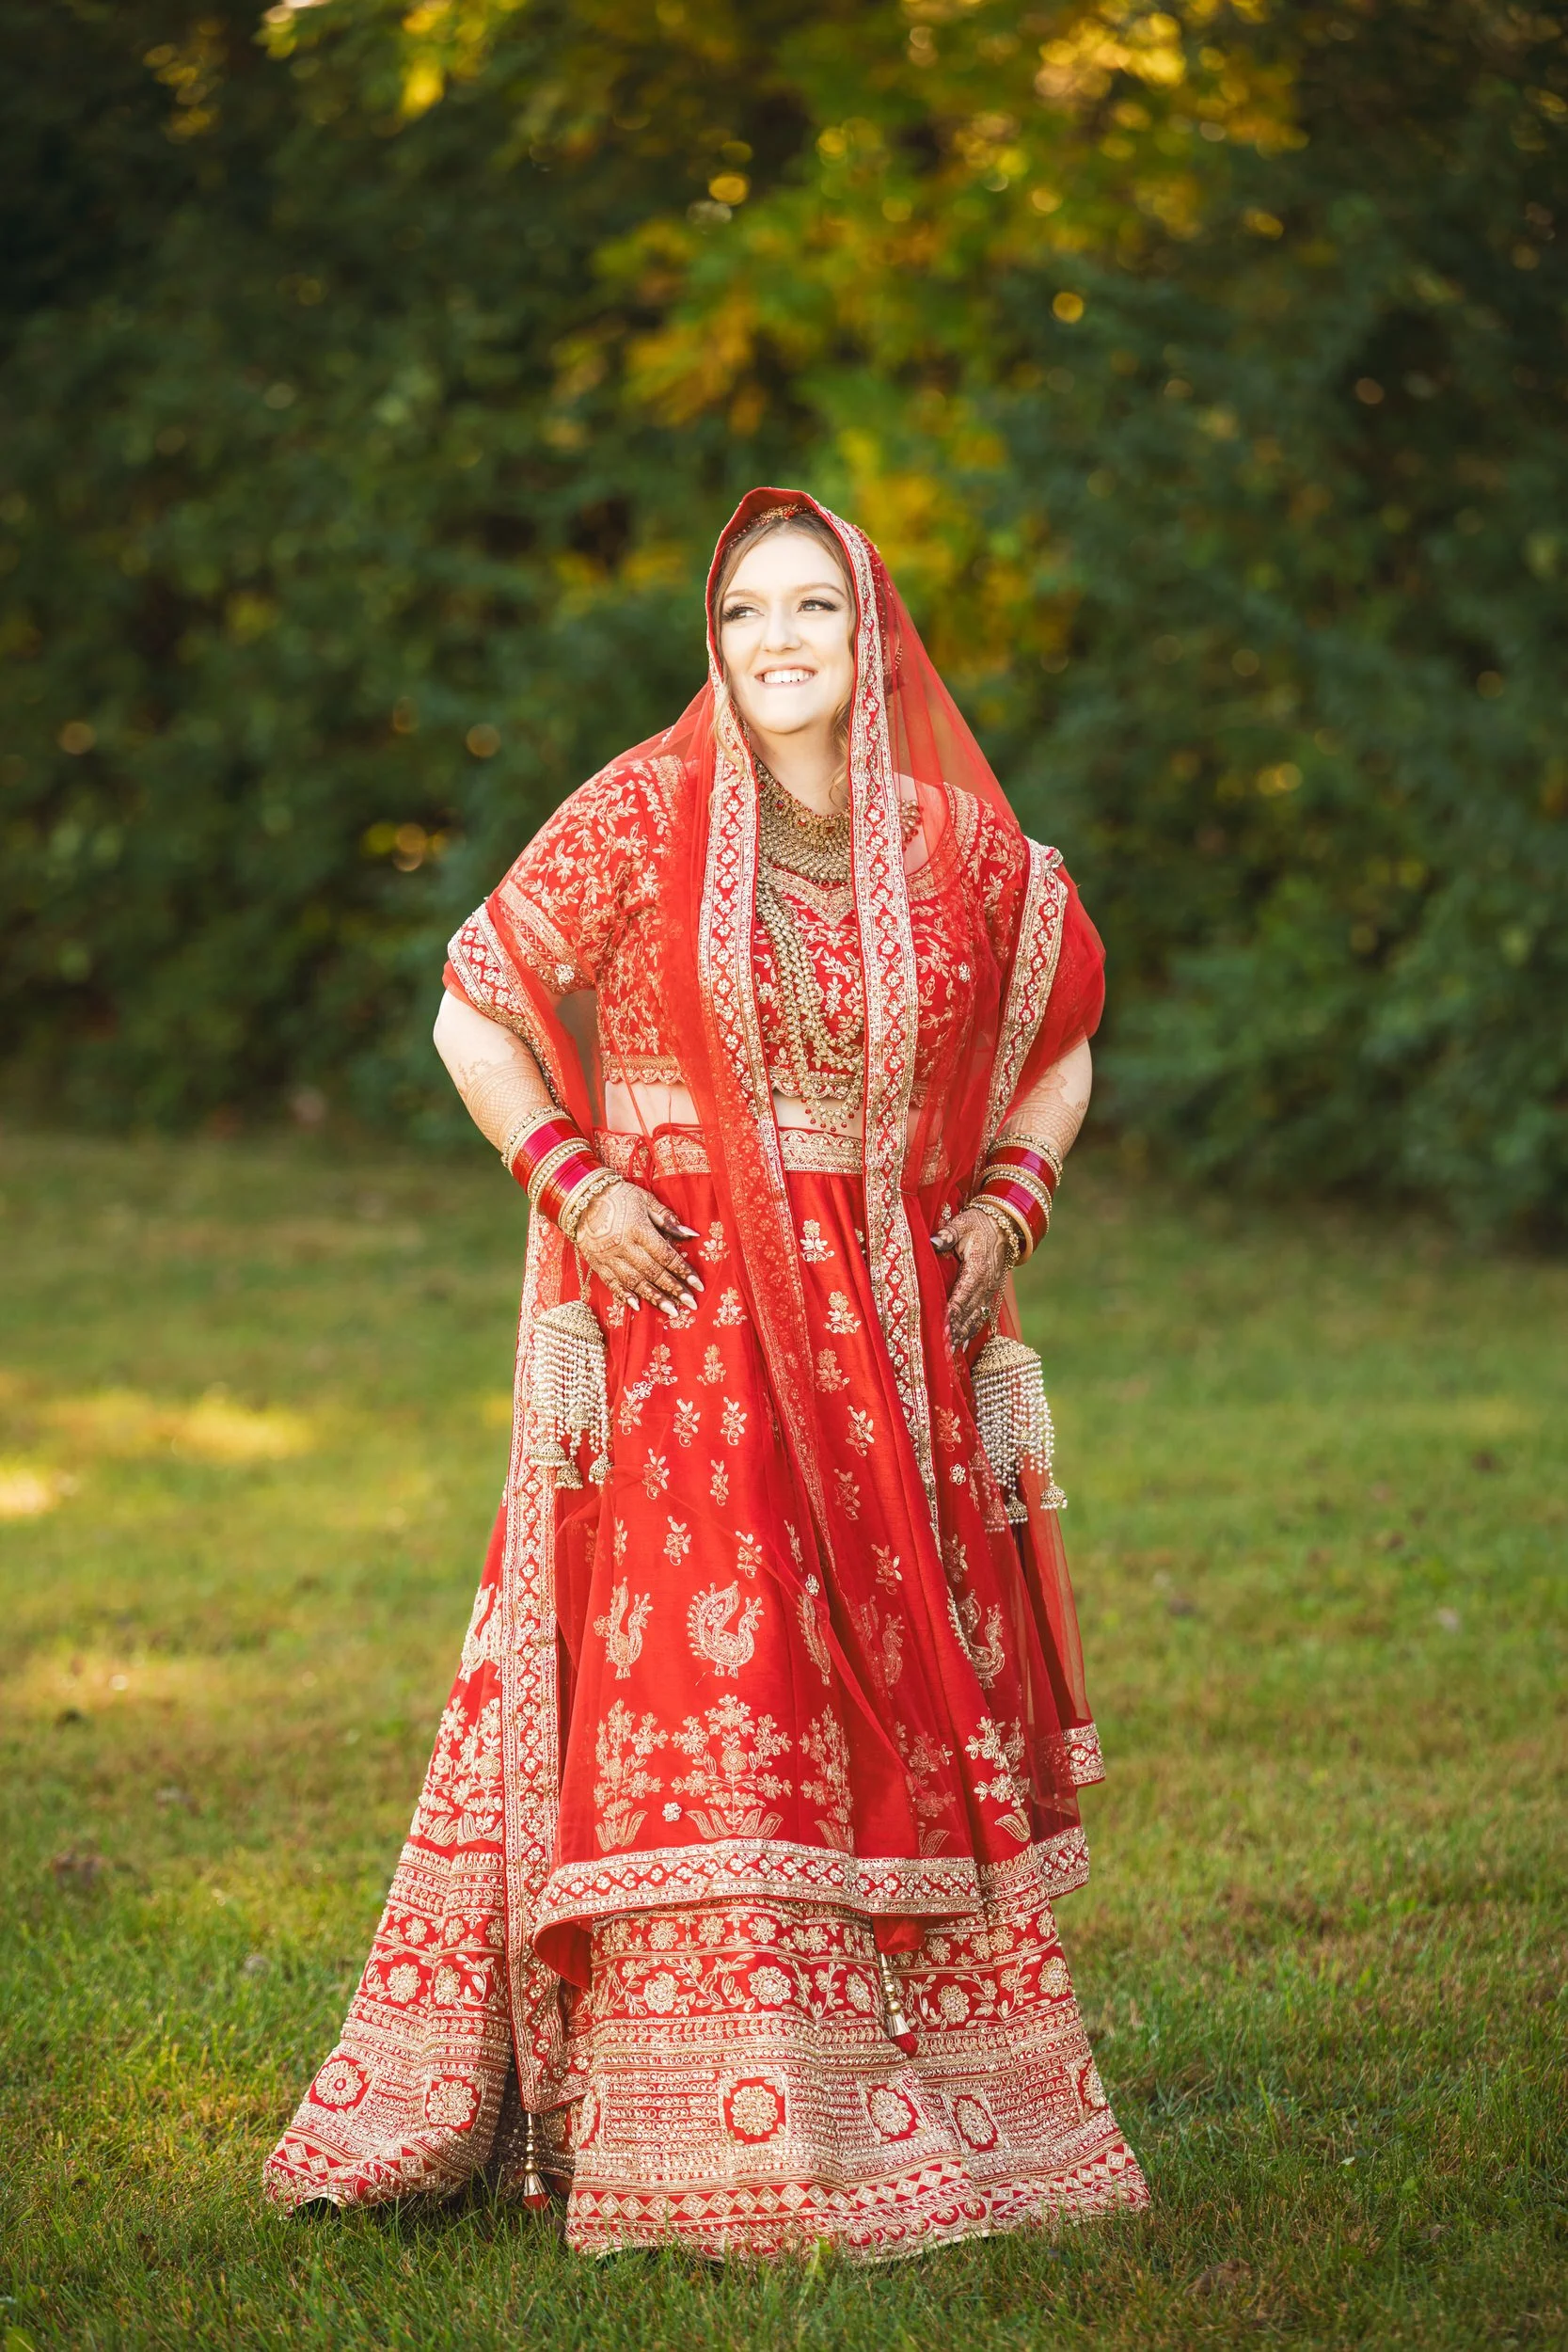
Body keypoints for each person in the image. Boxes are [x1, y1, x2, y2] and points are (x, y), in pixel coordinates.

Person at [263, 488, 1147, 2256]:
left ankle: (933, 2097)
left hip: (889, 1347)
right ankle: (708, 2125)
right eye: (745, 611)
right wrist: (571, 1186)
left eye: (814, 606)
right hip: (683, 1333)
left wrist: (1007, 1206)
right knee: (718, 1711)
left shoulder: (958, 850)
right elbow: (471, 998)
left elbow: (1066, 1040)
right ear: (716, 640)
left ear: (871, 633)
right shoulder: (644, 809)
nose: (779, 639)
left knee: (875, 1698)